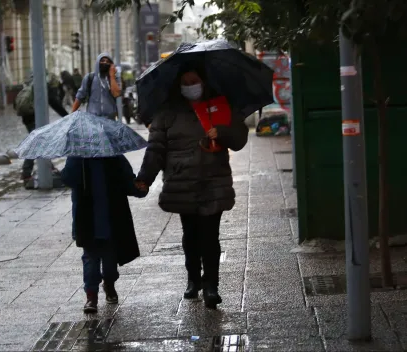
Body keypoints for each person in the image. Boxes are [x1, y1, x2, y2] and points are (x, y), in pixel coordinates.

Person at [135, 66, 249, 309]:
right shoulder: (167, 113)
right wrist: (144, 178)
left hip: (213, 180)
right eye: (185, 82)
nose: (190, 86)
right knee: (191, 236)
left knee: (210, 236)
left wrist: (223, 132)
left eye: (194, 80)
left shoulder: (219, 105)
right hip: (182, 182)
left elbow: (240, 138)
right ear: (178, 86)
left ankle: (211, 286)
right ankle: (193, 279)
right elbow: (156, 149)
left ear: (203, 82)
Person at [61, 155, 147, 313]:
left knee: (110, 262)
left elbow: (127, 180)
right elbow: (67, 179)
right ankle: (91, 296)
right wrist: (74, 163)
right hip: (87, 220)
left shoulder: (114, 157)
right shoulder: (77, 158)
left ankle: (109, 283)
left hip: (111, 218)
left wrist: (138, 189)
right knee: (90, 259)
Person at [16, 71, 69, 187]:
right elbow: (54, 102)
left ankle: (48, 167)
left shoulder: (32, 82)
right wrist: (67, 116)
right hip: (35, 117)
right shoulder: (44, 84)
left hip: (28, 117)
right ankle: (26, 172)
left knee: (40, 142)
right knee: (36, 143)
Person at [71, 54, 121, 120]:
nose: (105, 63)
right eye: (102, 60)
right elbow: (79, 97)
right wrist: (71, 115)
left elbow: (116, 94)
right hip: (92, 119)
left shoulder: (114, 79)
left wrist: (112, 76)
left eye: (107, 61)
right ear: (97, 62)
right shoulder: (89, 78)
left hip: (110, 119)